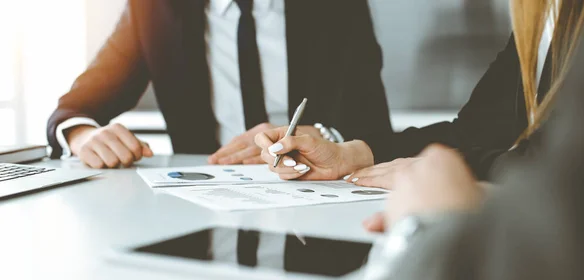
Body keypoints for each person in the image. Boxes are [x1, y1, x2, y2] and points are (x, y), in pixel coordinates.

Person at [255, 0, 584, 231]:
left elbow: (570, 170)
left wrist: (457, 169)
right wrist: (352, 154)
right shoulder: (543, 12)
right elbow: (476, 131)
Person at [383, 1, 584, 280]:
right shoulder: (541, 15)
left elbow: (547, 167)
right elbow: (472, 131)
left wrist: (424, 226)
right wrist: (365, 151)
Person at [46, 0, 391, 168]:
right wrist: (84, 135)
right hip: (201, 202)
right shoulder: (153, 9)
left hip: (314, 195)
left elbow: (375, 130)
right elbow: (75, 108)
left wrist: (324, 136)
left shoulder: (338, 8)